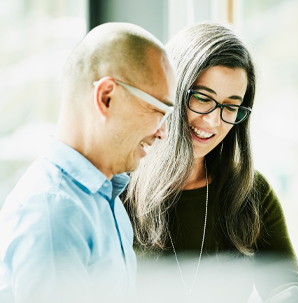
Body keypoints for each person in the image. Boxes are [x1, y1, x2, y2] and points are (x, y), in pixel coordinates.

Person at [124, 22, 298, 303]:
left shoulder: (251, 193)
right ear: (171, 91)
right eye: (203, 98)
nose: (214, 122)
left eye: (231, 106)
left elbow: (291, 288)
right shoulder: (117, 189)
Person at [0, 22, 176, 303]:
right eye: (157, 110)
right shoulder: (55, 212)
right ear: (106, 97)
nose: (162, 132)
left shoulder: (105, 198)